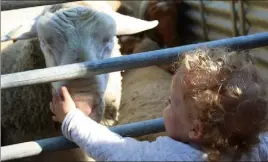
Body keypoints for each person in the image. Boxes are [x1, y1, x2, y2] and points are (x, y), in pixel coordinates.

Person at [50, 48, 268, 161]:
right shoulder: (255, 149)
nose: (166, 103)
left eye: (171, 103)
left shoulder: (168, 156)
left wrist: (71, 118)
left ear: (195, 129)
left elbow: (114, 150)